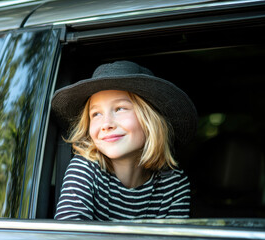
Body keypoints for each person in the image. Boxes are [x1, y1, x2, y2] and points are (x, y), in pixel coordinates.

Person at [51, 60, 198, 221]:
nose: (106, 124)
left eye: (120, 109)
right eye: (96, 114)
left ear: (150, 120)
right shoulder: (85, 169)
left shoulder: (174, 184)